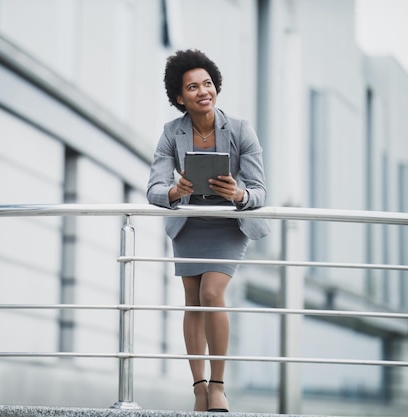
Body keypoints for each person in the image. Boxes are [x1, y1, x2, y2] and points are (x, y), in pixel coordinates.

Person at [146, 49, 270, 412]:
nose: (203, 91)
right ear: (179, 97)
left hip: (228, 224)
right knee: (193, 302)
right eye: (193, 87)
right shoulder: (171, 133)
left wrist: (239, 193)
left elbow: (260, 190)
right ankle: (198, 386)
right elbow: (153, 188)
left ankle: (218, 385)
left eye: (208, 84)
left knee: (212, 293)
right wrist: (175, 191)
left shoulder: (241, 130)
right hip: (189, 224)